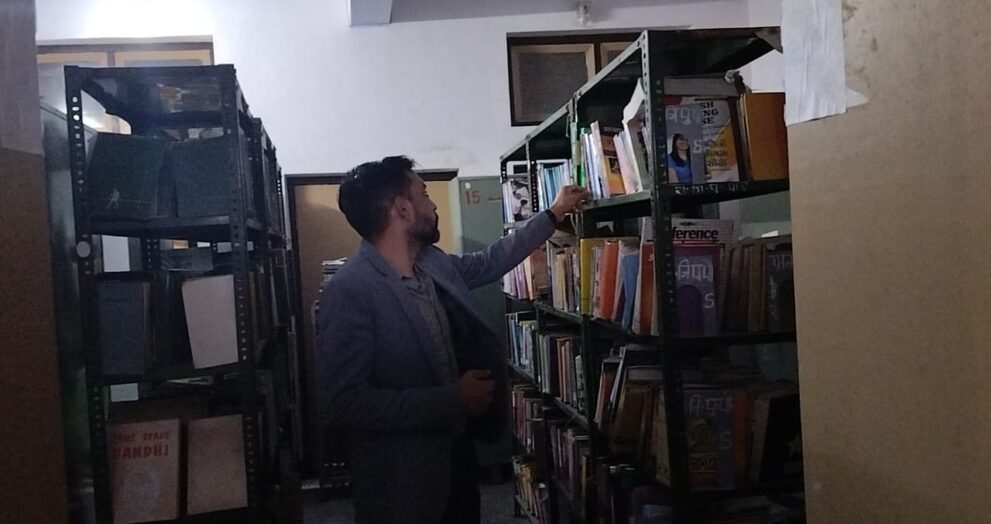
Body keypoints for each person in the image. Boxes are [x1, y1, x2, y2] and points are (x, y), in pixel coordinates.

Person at [317, 155, 588, 524]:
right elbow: (344, 403)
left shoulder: (432, 263)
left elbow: (489, 262)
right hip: (404, 485)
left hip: (457, 461)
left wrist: (552, 215)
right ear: (402, 209)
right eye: (424, 194)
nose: (432, 205)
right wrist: (452, 399)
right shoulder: (350, 290)